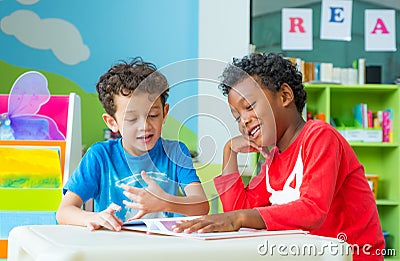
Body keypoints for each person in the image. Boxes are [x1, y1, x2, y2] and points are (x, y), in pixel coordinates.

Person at [173, 53, 384, 260]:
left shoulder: (320, 136)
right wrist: (229, 151)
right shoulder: (273, 159)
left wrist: (237, 218)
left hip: (354, 256)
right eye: (237, 116)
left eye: (249, 106)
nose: (243, 121)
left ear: (284, 96)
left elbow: (313, 210)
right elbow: (239, 211)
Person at [57, 57, 209, 231]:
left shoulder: (175, 152)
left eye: (152, 115)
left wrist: (164, 202)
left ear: (165, 113)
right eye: (131, 119)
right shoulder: (99, 156)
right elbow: (64, 211)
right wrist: (94, 217)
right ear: (112, 122)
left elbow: (201, 206)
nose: (144, 127)